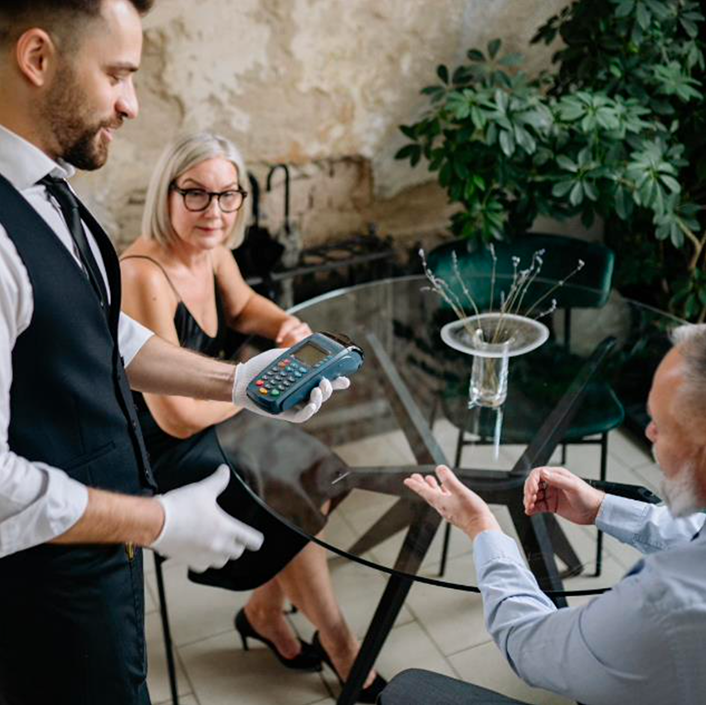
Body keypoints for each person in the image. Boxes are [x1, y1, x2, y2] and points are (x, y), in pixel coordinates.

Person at [0, 3, 346, 704]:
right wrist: (159, 520)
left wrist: (243, 379)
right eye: (118, 75)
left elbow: (110, 338)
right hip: (44, 581)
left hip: (104, 547)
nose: (130, 105)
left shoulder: (53, 196)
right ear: (38, 59)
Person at [119, 130, 386, 702]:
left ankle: (266, 610)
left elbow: (240, 306)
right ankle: (340, 642)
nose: (213, 211)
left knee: (323, 475)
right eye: (195, 194)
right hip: (160, 446)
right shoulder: (143, 275)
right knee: (285, 497)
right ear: (166, 194)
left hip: (215, 413)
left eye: (227, 195)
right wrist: (253, 391)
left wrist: (286, 328)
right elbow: (177, 416)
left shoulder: (210, 247)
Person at [382, 323, 706, 705]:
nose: (648, 432)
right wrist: (602, 506)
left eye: (662, 426)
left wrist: (480, 525)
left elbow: (528, 642)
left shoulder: (665, 605)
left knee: (407, 693)